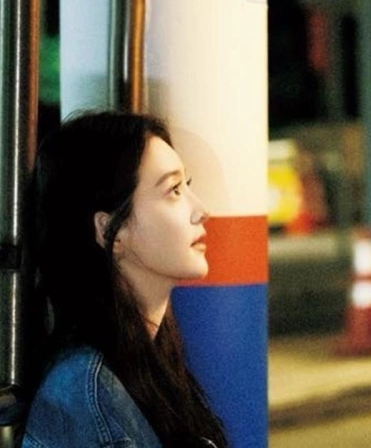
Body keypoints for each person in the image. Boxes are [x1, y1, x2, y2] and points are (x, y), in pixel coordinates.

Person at [20, 110, 228, 447]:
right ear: (110, 231)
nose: (201, 210)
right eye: (173, 190)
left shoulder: (143, 362)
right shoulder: (91, 390)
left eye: (187, 186)